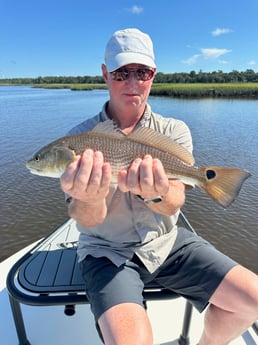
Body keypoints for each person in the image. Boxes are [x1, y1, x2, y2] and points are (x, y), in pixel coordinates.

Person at [60, 28, 258, 345]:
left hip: (167, 243)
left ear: (153, 75)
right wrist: (89, 199)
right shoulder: (79, 140)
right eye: (122, 72)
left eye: (142, 72)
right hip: (107, 253)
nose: (133, 82)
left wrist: (155, 192)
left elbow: (175, 200)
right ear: (104, 73)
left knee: (253, 298)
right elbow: (87, 220)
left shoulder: (172, 131)